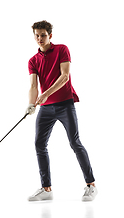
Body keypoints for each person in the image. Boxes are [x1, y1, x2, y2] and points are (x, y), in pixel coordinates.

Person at [26, 20, 98, 202]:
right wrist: (31, 103)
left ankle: (91, 185)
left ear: (50, 35)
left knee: (75, 142)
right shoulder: (33, 61)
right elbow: (33, 85)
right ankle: (46, 188)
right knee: (39, 144)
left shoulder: (62, 49)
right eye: (37, 35)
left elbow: (64, 76)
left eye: (43, 35)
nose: (40, 38)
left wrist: (46, 94)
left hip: (65, 104)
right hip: (46, 108)